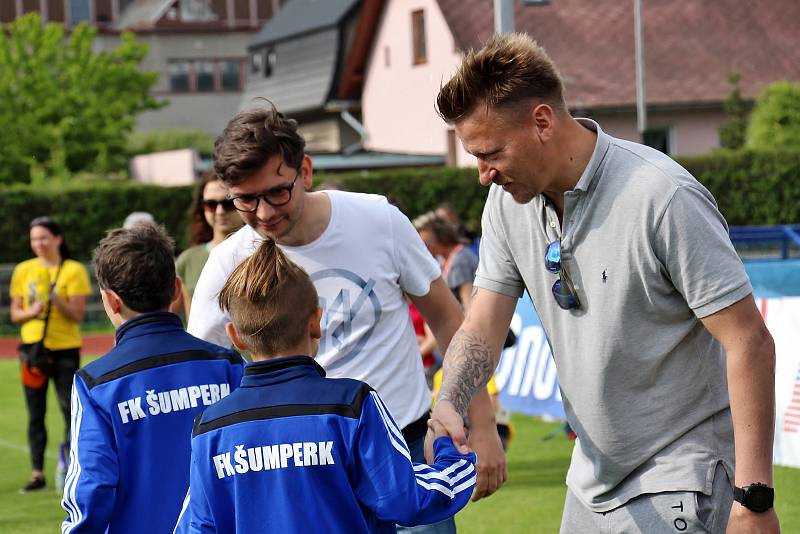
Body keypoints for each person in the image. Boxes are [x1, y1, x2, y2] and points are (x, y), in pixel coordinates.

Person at [428, 33, 778, 533]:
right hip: (590, 478)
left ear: (542, 121)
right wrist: (449, 401)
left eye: (491, 153)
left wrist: (754, 499)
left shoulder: (662, 195)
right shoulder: (506, 206)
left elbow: (750, 341)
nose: (483, 174)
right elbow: (482, 327)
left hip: (682, 468)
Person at [187, 105, 506, 527]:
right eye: (246, 199)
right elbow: (200, 374)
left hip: (407, 450)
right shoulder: (229, 262)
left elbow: (449, 321)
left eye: (277, 191)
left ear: (305, 170)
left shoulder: (378, 220)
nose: (264, 213)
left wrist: (480, 423)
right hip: (304, 466)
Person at [175, 239, 477, 533]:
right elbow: (407, 499)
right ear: (316, 321)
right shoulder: (351, 405)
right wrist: (451, 454)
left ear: (235, 336)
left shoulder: (211, 426)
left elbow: (197, 525)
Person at [60, 224, 244, 533]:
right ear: (175, 289)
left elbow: (91, 487)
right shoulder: (226, 364)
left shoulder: (96, 383)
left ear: (110, 300)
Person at [10, 216, 90, 493]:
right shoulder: (24, 270)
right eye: (34, 239)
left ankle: (69, 465)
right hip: (32, 351)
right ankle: (37, 473)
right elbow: (15, 313)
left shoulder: (73, 270)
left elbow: (77, 314)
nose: (39, 244)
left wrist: (57, 301)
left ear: (58, 238)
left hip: (65, 349)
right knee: (35, 412)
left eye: (43, 238)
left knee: (70, 410)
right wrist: (31, 312)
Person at [176, 170, 244, 318]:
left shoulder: (265, 253)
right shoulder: (188, 260)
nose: (220, 211)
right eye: (211, 204)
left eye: (228, 203)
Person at [414, 212, 479, 310]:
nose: (424, 250)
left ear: (440, 238)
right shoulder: (443, 259)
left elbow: (470, 307)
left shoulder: (460, 260)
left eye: (426, 244)